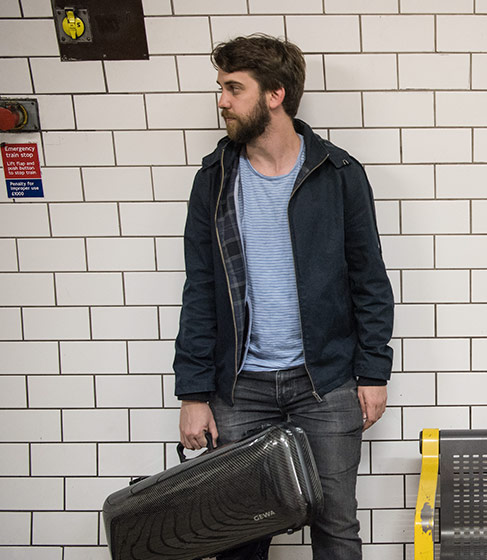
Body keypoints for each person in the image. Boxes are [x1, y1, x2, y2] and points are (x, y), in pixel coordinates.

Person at [173, 34, 394, 560]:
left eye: (233, 88)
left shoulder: (338, 175)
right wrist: (193, 392)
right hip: (239, 388)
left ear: (275, 94)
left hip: (325, 385)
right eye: (221, 87)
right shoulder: (215, 180)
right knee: (238, 535)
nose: (221, 100)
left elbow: (369, 281)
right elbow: (200, 287)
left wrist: (374, 372)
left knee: (336, 528)